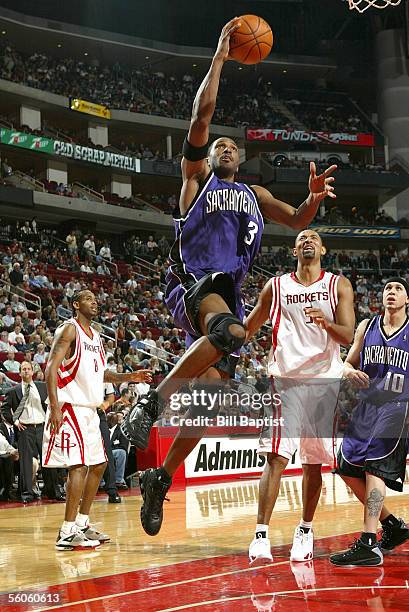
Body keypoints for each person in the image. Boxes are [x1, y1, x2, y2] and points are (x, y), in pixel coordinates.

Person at [121, 20, 337, 537]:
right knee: (230, 334)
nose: (224, 149)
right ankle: (149, 404)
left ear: (241, 158)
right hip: (193, 282)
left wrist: (309, 198)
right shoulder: (195, 181)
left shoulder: (256, 196)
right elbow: (203, 113)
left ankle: (160, 479)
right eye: (217, 146)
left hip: (228, 294)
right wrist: (219, 57)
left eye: (230, 148)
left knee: (211, 402)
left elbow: (300, 220)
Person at [244, 229, 355, 564]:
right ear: (295, 249)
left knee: (313, 462)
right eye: (302, 237)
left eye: (313, 237)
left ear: (322, 248)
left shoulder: (338, 285)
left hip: (324, 382)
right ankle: (261, 534)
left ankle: (305, 528)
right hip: (286, 379)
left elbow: (348, 335)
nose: (308, 240)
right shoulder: (276, 287)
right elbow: (249, 327)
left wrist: (326, 323)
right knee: (276, 456)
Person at [42, 289, 152, 551]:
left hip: (90, 409)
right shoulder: (69, 330)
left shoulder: (97, 337)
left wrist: (130, 377)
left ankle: (82, 523)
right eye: (89, 298)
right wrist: (55, 406)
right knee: (78, 467)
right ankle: (66, 531)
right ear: (76, 304)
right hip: (70, 406)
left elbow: (101, 374)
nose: (95, 301)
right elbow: (50, 368)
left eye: (96, 298)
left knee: (100, 464)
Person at [330, 278, 409, 567]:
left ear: (407, 300)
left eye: (399, 289)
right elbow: (347, 363)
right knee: (346, 467)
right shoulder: (367, 326)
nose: (392, 292)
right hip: (367, 407)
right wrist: (349, 372)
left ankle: (368, 541)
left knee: (375, 466)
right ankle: (393, 525)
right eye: (387, 288)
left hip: (398, 407)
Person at [2, 361, 61, 503]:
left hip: (42, 427)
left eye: (28, 369)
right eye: (23, 369)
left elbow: (53, 403)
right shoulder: (13, 390)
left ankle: (53, 492)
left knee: (48, 460)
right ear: (20, 372)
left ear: (32, 372)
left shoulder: (42, 387)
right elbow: (4, 409)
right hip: (25, 429)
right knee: (26, 463)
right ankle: (27, 494)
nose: (26, 371)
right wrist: (15, 422)